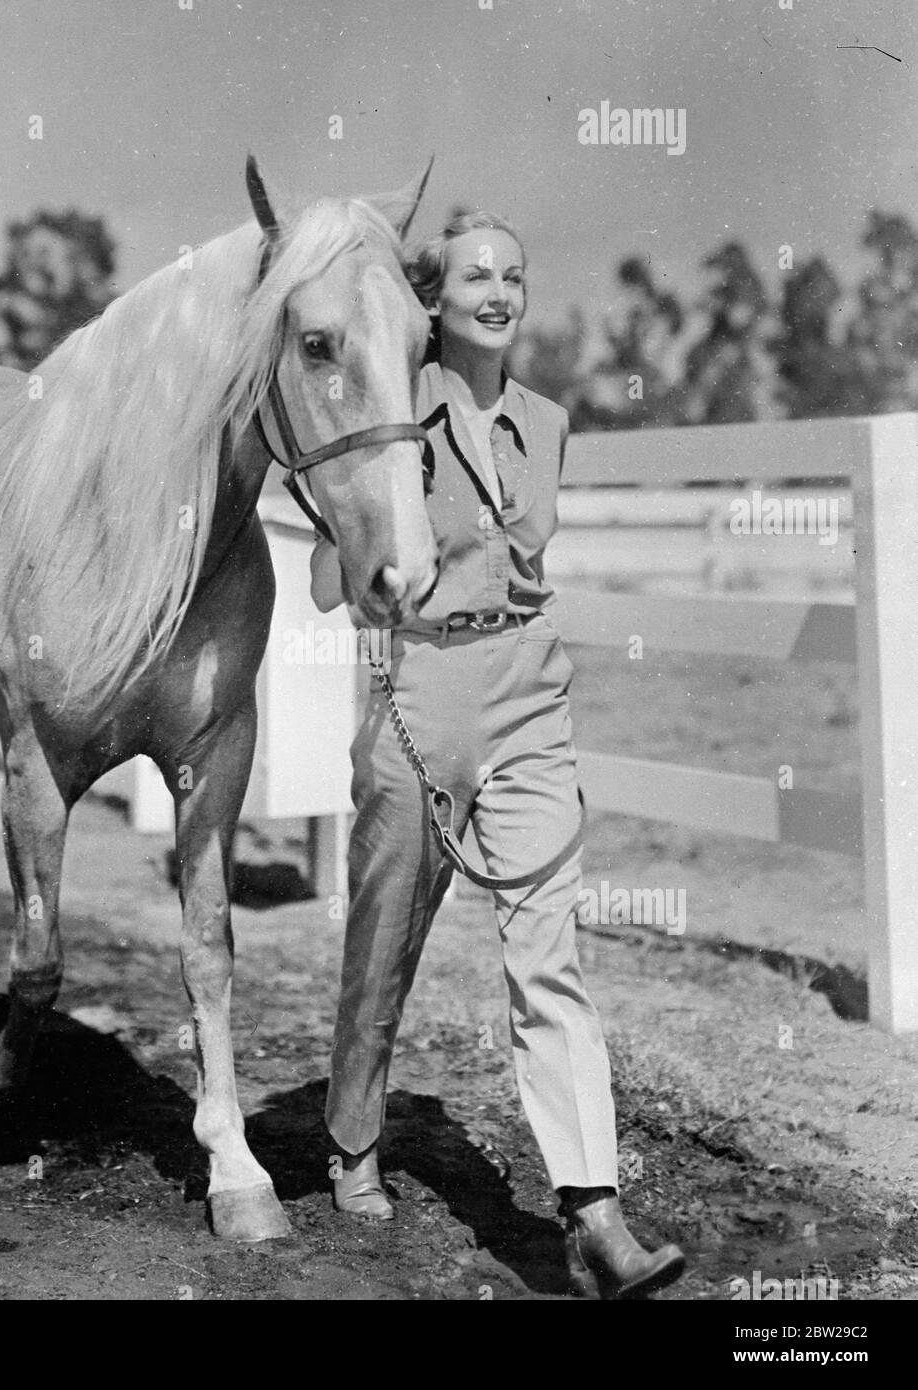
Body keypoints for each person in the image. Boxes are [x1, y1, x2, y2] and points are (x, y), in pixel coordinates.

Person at [310, 211, 685, 1300]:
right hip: (418, 686)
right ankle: (351, 1136)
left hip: (529, 690)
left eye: (514, 274)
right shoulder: (389, 419)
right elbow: (334, 590)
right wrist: (347, 521)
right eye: (476, 273)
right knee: (385, 939)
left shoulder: (551, 422)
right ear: (434, 300)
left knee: (548, 953)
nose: (498, 290)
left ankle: (594, 1213)